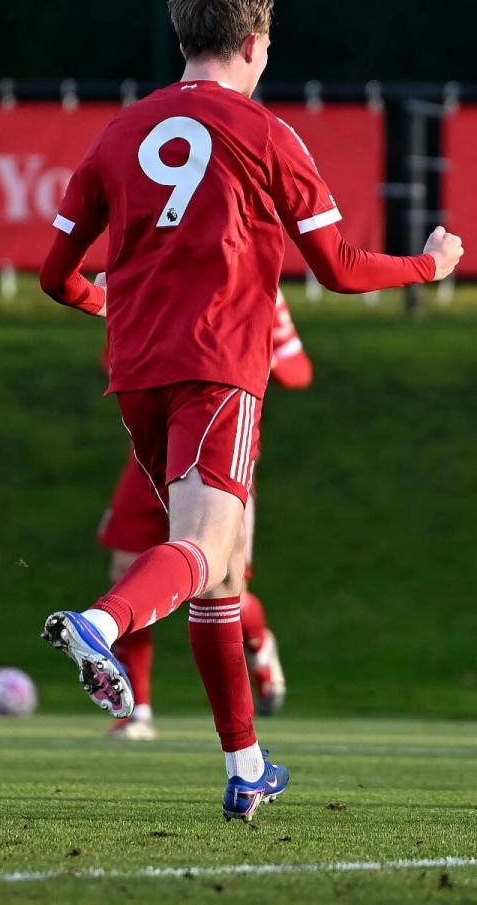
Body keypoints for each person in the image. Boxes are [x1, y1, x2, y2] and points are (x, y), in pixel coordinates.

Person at [38, 0, 463, 822]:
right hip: (220, 365)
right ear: (255, 44)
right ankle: (101, 624)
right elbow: (339, 268)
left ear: (185, 38)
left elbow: (56, 274)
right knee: (203, 545)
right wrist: (430, 264)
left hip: (137, 372)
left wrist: (101, 302)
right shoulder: (267, 132)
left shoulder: (121, 130)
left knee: (217, 576)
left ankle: (247, 765)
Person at [103, 290, 311, 742]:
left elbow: (298, 370)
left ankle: (258, 641)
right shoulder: (150, 269)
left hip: (220, 445)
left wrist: (240, 352)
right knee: (124, 571)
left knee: (222, 587)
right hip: (151, 452)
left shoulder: (258, 286)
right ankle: (137, 712)